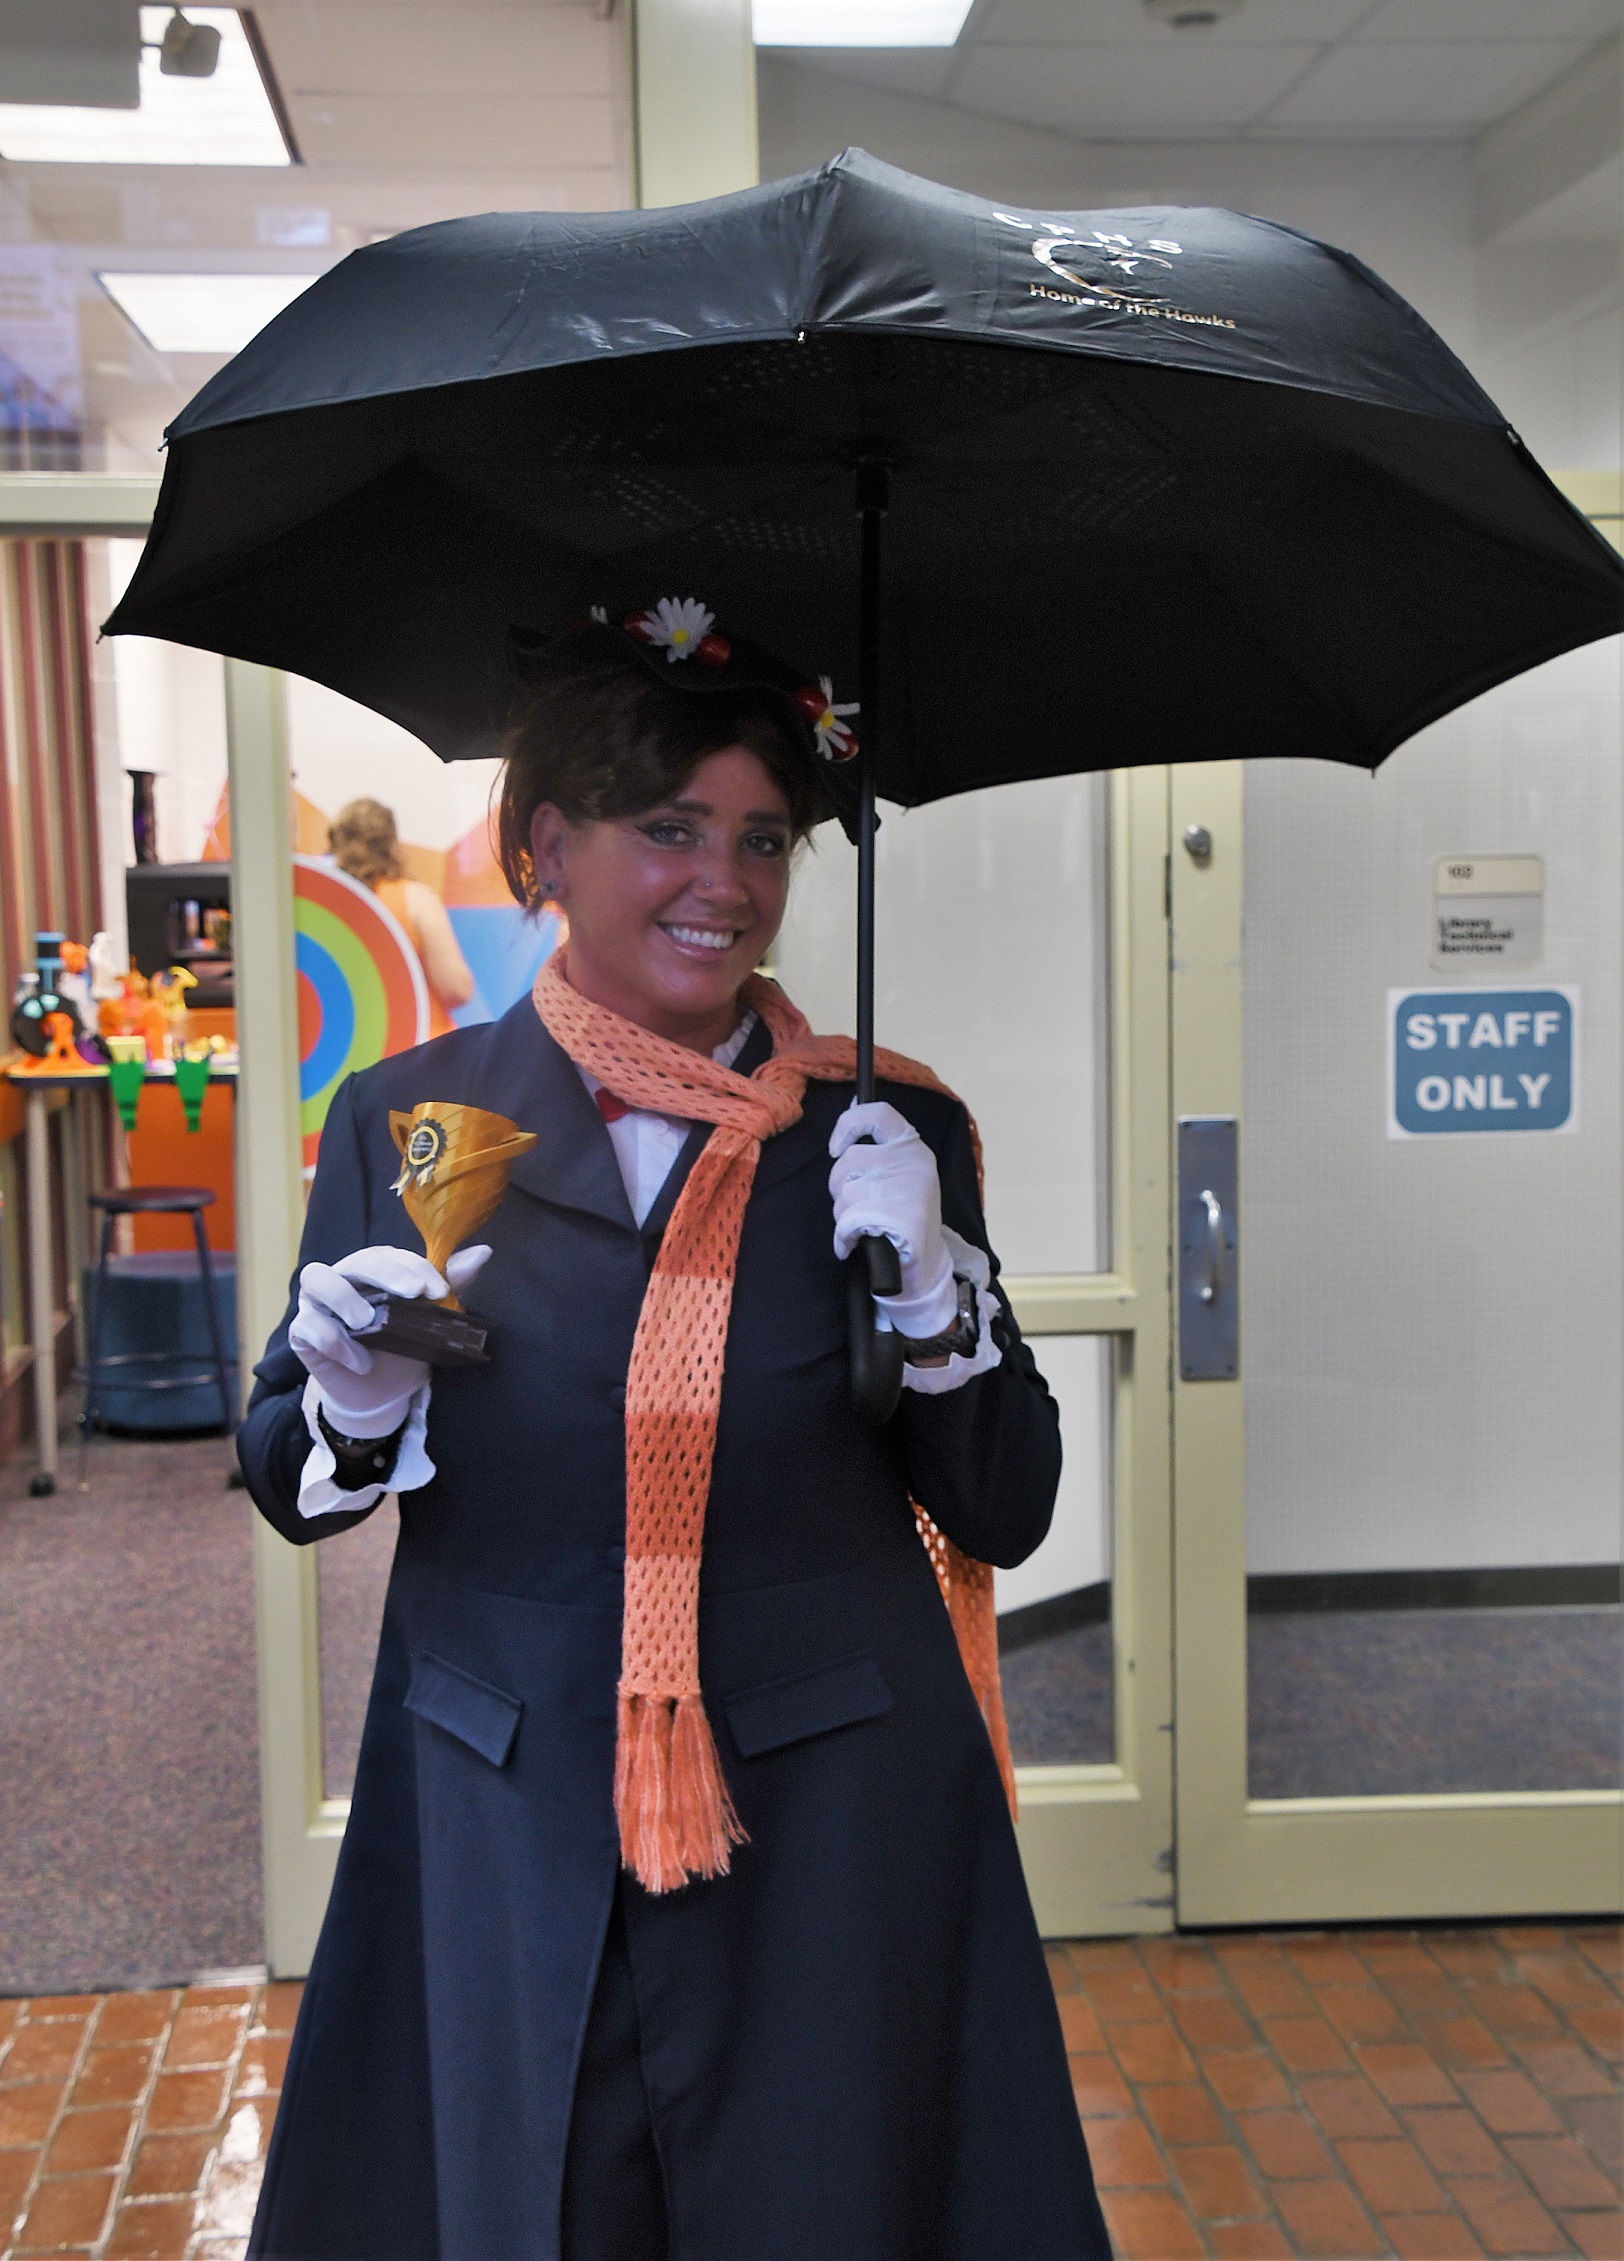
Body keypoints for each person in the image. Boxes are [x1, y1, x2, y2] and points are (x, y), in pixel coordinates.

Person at [239, 605, 1110, 2261]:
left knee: (819, 2210)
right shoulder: (429, 1123)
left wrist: (930, 1295)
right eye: (669, 829)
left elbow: (1002, 1500)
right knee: (536, 2206)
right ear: (548, 847)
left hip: (833, 1820)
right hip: (499, 1801)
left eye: (760, 835)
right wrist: (352, 1407)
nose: (725, 879)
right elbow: (290, 1486)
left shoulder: (882, 1124)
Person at [328, 795, 475, 1035]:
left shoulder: (328, 904)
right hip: (420, 1049)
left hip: (354, 1050)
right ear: (391, 842)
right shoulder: (415, 899)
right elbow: (456, 989)